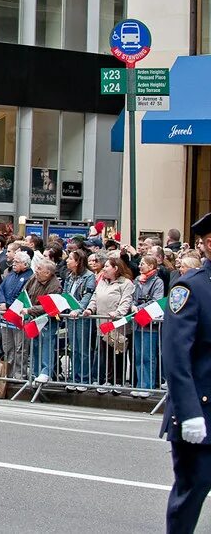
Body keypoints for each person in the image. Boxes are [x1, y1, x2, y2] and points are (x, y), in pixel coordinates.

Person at [162, 213, 211, 534]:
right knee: (192, 491)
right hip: (201, 411)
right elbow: (176, 356)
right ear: (208, 244)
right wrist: (191, 412)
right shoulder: (191, 288)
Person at [88, 257, 134, 394]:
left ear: (116, 268)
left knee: (118, 353)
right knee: (105, 353)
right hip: (102, 324)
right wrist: (90, 309)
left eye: (107, 266)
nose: (104, 268)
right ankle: (108, 380)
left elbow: (126, 301)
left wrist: (118, 312)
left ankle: (118, 382)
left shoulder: (126, 283)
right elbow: (95, 298)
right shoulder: (102, 281)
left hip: (117, 324)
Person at [0, 250, 34, 380]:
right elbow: (1, 289)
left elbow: (23, 295)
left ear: (25, 264)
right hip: (6, 316)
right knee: (8, 346)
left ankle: (19, 374)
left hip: (19, 316)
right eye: (14, 261)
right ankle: (9, 373)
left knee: (20, 347)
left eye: (17, 262)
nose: (13, 264)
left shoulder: (30, 276)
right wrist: (1, 302)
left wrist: (8, 304)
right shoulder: (10, 275)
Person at [130, 254, 165, 398]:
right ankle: (139, 384)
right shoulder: (138, 280)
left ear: (151, 266)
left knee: (148, 356)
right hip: (138, 323)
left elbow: (156, 300)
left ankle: (147, 385)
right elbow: (133, 296)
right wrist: (133, 305)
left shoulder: (158, 282)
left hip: (150, 324)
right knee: (138, 355)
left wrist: (140, 308)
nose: (139, 266)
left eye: (143, 264)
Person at [23, 258, 63, 384]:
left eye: (40, 269)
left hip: (48, 319)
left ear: (48, 273)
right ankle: (35, 372)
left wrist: (30, 309)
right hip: (34, 318)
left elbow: (49, 305)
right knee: (35, 345)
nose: (36, 270)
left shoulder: (55, 285)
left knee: (47, 345)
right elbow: (24, 292)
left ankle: (45, 372)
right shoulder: (33, 278)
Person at [63, 249, 97, 392]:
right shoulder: (69, 275)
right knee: (73, 348)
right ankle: (73, 377)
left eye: (70, 258)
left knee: (83, 348)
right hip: (70, 315)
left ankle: (84, 378)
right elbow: (65, 293)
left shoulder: (89, 277)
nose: (67, 261)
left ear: (77, 262)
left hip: (81, 316)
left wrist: (79, 309)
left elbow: (88, 295)